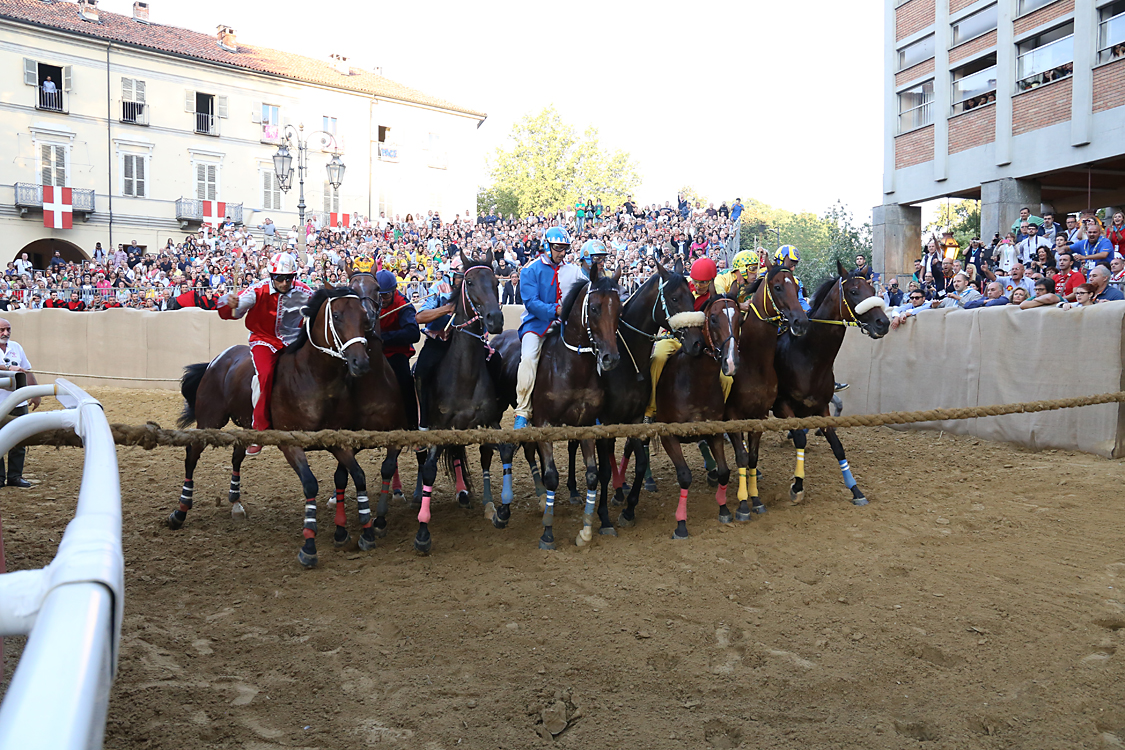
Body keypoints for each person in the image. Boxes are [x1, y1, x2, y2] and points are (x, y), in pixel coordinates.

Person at [218, 252, 312, 456]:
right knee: (265, 375)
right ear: (271, 276)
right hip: (264, 340)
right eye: (280, 278)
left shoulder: (305, 291)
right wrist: (228, 304)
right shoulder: (257, 290)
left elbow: (320, 309)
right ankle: (259, 430)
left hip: (293, 340)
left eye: (289, 278)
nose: (285, 283)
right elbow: (231, 312)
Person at [645, 257, 727, 419]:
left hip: (700, 343)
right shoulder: (683, 287)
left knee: (727, 378)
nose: (698, 286)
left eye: (703, 283)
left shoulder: (716, 296)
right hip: (674, 338)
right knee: (658, 357)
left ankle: (719, 414)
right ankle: (651, 409)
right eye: (696, 281)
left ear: (712, 281)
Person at [513, 226, 570, 429]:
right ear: (547, 246)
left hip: (564, 325)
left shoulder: (571, 269)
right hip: (536, 325)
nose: (562, 253)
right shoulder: (530, 269)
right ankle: (522, 410)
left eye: (565, 249)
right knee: (528, 358)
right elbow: (531, 303)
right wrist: (556, 310)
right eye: (558, 248)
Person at [375, 270, 420, 429]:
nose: (382, 300)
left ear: (394, 291)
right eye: (379, 295)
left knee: (405, 384)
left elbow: (414, 334)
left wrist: (383, 338)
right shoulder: (369, 300)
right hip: (372, 353)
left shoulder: (403, 305)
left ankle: (412, 424)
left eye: (386, 295)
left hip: (395, 353)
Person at [0, 318, 41, 488]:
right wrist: (9, 369)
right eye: (2, 330)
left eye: (8, 329)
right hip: (0, 404)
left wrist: (36, 392)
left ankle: (15, 476)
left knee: (19, 440)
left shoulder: (16, 347)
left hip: (18, 402)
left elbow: (27, 369)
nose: (6, 333)